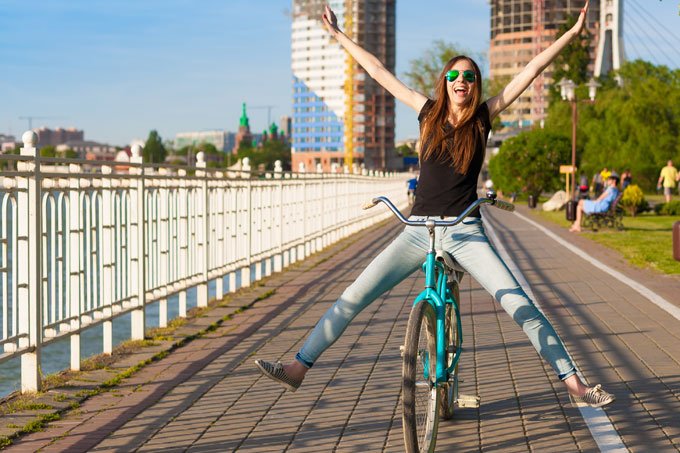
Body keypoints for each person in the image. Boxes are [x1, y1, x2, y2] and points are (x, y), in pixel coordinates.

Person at [255, 1, 614, 408]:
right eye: (454, 75)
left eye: (469, 76)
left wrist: (571, 33)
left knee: (519, 304)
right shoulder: (426, 113)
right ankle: (299, 368)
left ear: (475, 85)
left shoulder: (483, 117)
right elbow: (377, 71)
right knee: (352, 297)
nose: (461, 80)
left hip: (464, 230)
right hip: (417, 230)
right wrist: (338, 35)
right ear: (445, 81)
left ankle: (575, 385)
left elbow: (530, 70)